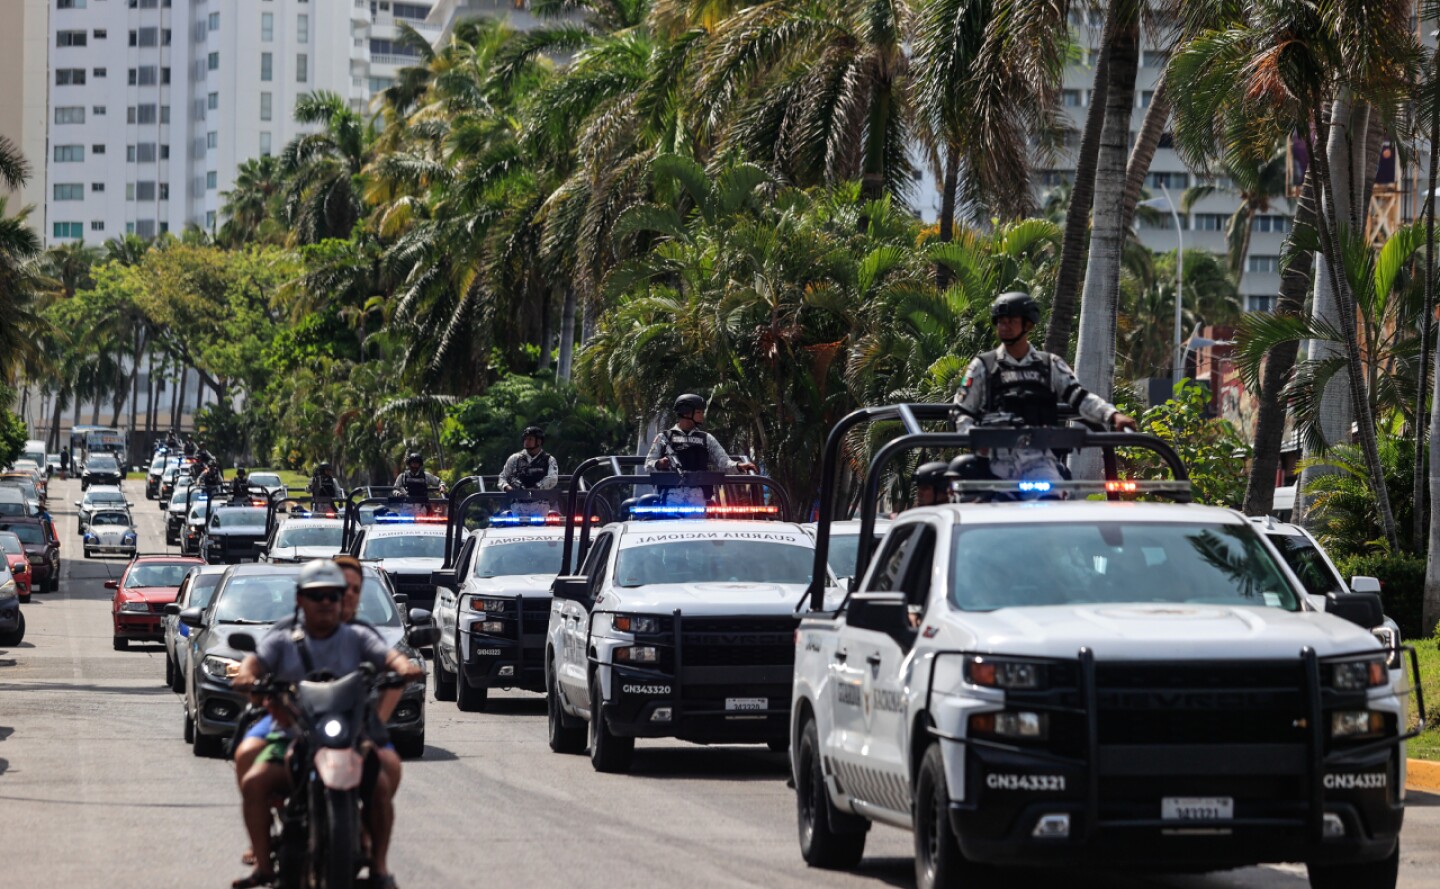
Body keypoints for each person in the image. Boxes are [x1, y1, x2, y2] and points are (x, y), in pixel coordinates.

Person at [231, 561, 420, 889]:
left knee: (380, 786)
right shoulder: (283, 639)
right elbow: (255, 661)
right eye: (316, 596)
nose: (326, 603)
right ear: (300, 600)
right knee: (254, 781)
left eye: (333, 596)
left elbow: (389, 658)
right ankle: (263, 865)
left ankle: (378, 866)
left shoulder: (359, 635)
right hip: (294, 735)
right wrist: (249, 676)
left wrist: (404, 667)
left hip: (349, 737)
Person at [953, 292, 1136, 485]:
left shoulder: (1049, 365)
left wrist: (1112, 415)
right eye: (1000, 322)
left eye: (1011, 321)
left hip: (1040, 461)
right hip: (994, 462)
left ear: (1028, 325)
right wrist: (975, 438)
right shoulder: (983, 366)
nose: (1004, 327)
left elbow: (1080, 397)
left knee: (1054, 501)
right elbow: (961, 412)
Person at [643, 394, 757, 507]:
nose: (703, 415)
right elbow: (648, 465)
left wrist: (739, 466)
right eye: (699, 412)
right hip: (670, 495)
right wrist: (659, 464)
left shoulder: (707, 438)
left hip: (698, 496)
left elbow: (723, 462)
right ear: (686, 412)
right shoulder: (664, 437)